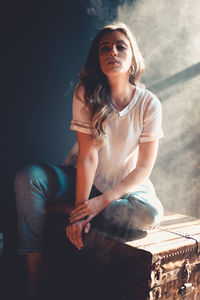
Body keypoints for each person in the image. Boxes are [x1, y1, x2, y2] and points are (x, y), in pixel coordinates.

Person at [15, 23, 164, 298]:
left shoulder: (149, 103)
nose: (113, 52)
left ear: (133, 59)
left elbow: (143, 167)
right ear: (97, 59)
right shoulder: (87, 92)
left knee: (150, 213)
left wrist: (100, 202)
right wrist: (83, 208)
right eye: (104, 48)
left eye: (121, 46)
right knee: (28, 178)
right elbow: (87, 158)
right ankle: (35, 269)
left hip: (123, 187)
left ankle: (58, 209)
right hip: (81, 178)